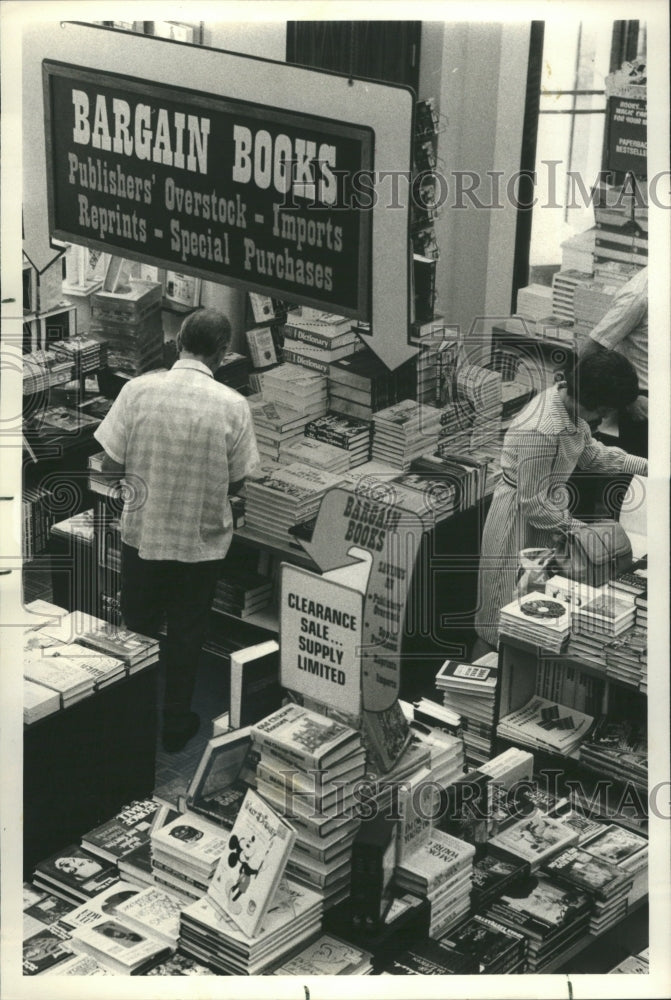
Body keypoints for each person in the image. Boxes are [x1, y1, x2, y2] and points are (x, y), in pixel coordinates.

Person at [95, 309, 260, 752]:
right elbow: (239, 480)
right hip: (200, 542)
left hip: (143, 535)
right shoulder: (233, 406)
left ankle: (132, 715)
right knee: (188, 634)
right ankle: (174, 724)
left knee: (138, 627)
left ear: (178, 343)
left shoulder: (136, 391)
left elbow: (110, 463)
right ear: (223, 353)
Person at [473, 351, 648, 652]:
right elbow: (532, 503)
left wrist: (647, 466)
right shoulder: (543, 427)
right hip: (517, 522)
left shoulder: (569, 408)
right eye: (607, 411)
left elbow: (593, 455)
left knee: (533, 613)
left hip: (547, 517)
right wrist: (585, 532)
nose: (605, 419)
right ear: (599, 403)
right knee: (501, 619)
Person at [579, 265, 648, 458]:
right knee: (641, 478)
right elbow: (589, 352)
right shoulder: (638, 296)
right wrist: (628, 400)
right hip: (642, 403)